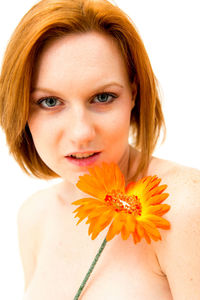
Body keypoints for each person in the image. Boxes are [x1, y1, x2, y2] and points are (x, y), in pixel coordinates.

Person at [0, 0, 199, 299]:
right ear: (20, 110)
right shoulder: (33, 217)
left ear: (133, 95)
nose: (81, 132)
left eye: (103, 97)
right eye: (50, 102)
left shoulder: (184, 208)